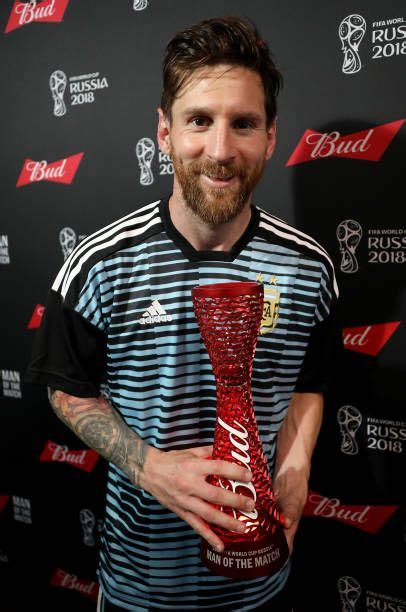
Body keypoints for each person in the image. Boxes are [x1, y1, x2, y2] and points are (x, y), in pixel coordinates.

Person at [25, 15, 341, 611]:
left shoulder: (310, 269)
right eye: (199, 121)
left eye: (243, 124)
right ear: (165, 133)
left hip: (261, 587)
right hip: (139, 589)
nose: (220, 151)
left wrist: (294, 477)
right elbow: (65, 389)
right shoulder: (99, 264)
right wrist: (150, 468)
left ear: (271, 137)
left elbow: (309, 384)